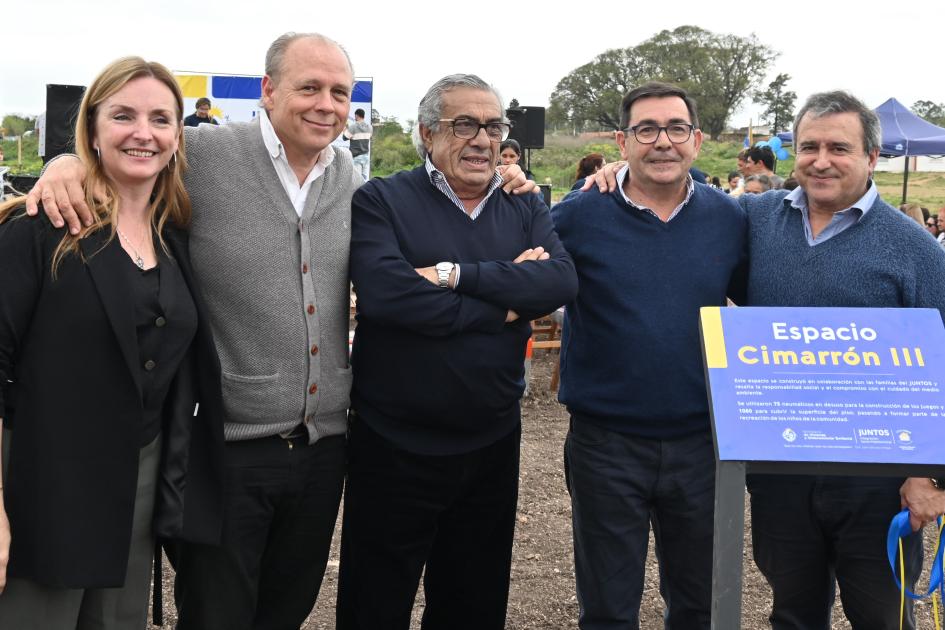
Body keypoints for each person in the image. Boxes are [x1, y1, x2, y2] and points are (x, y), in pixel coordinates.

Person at [338, 73, 577, 630]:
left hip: (490, 440)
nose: (481, 139)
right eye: (463, 124)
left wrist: (452, 275)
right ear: (426, 133)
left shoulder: (523, 203)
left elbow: (560, 283)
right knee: (375, 603)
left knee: (472, 603)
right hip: (394, 443)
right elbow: (390, 299)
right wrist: (504, 305)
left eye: (492, 126)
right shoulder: (382, 199)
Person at [0, 56, 224, 630]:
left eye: (160, 118)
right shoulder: (37, 231)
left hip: (137, 495)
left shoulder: (175, 238)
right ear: (92, 130)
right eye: (123, 115)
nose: (142, 132)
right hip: (43, 489)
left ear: (179, 136)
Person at [740, 90, 945, 630]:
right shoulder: (755, 222)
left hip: (878, 479)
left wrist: (932, 475)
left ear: (871, 157)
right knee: (793, 613)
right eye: (809, 146)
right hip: (782, 466)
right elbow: (676, 206)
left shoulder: (916, 250)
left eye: (839, 147)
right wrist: (616, 175)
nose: (821, 160)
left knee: (883, 616)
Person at [551, 81, 747, 630]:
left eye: (676, 129)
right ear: (622, 141)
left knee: (700, 603)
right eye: (647, 129)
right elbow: (523, 271)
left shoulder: (728, 219)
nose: (663, 142)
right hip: (605, 444)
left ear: (697, 140)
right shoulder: (579, 215)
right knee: (609, 607)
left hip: (703, 444)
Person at [344, 107, 372, 182]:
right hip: (366, 157)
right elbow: (368, 137)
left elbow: (344, 137)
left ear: (356, 115)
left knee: (356, 181)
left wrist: (345, 129)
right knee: (364, 180)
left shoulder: (353, 126)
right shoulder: (370, 127)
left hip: (356, 157)